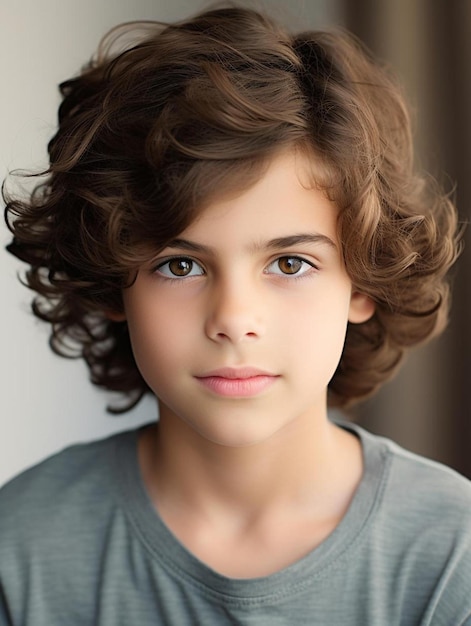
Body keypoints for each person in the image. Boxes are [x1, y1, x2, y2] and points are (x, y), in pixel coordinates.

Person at [1, 5, 470, 625]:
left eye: (291, 264)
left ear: (363, 284)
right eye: (180, 266)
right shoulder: (22, 543)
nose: (233, 319)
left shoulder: (450, 552)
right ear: (115, 282)